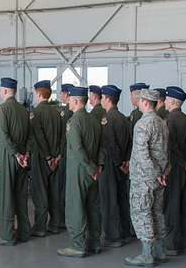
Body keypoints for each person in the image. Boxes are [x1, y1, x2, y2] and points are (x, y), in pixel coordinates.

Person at [124, 88, 169, 267]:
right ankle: (159, 250)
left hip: (145, 178)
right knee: (156, 213)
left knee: (142, 213)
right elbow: (165, 151)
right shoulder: (161, 122)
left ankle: (147, 254)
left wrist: (155, 174)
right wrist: (163, 173)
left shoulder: (143, 124)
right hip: (159, 178)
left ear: (144, 102)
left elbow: (143, 154)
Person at [57, 86, 102, 258]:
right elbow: (101, 147)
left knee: (75, 207)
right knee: (92, 207)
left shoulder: (74, 121)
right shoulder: (93, 120)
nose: (67, 101)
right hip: (93, 172)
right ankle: (94, 243)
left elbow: (77, 147)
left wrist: (90, 167)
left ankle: (77, 245)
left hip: (79, 170)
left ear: (76, 101)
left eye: (69, 99)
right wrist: (97, 168)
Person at [0, 77, 30, 246]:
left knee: (5, 195)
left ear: (5, 91)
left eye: (1, 89)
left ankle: (6, 235)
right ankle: (24, 231)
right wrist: (25, 154)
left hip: (9, 157)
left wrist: (16, 154)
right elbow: (30, 135)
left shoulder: (2, 109)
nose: (0, 92)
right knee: (21, 195)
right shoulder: (23, 110)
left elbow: (3, 136)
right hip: (23, 158)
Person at [27, 80, 64, 238]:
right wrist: (58, 156)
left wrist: (48, 157)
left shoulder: (36, 112)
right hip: (56, 159)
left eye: (36, 93)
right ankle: (55, 224)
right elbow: (64, 136)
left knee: (40, 192)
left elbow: (39, 137)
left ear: (39, 94)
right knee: (54, 191)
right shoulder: (57, 112)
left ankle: (40, 227)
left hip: (42, 158)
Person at [98, 85, 131, 248]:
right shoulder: (124, 118)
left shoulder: (107, 118)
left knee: (109, 199)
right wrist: (125, 162)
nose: (101, 100)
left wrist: (118, 163)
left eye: (103, 97)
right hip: (123, 164)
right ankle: (125, 232)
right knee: (122, 198)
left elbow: (111, 144)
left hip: (112, 164)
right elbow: (130, 143)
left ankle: (113, 236)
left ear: (108, 99)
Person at [163, 86, 186, 256]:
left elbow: (170, 147)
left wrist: (181, 163)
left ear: (173, 101)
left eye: (167, 99)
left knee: (172, 205)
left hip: (174, 167)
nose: (165, 102)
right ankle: (183, 241)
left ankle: (172, 244)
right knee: (184, 203)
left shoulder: (170, 121)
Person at [54, 83, 71, 231]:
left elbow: (63, 137)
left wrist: (59, 154)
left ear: (67, 94)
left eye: (62, 93)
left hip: (64, 154)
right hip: (68, 154)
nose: (61, 96)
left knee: (62, 186)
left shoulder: (66, 112)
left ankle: (63, 219)